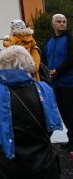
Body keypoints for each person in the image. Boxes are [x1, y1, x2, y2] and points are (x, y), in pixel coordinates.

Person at [0, 45, 62, 178]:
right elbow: (49, 128)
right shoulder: (46, 90)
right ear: (29, 62)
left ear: (2, 64)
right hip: (43, 162)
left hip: (4, 165)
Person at [43, 13, 73, 150]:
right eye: (59, 21)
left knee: (70, 112)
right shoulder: (49, 41)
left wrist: (58, 71)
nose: (62, 24)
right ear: (53, 24)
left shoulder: (70, 38)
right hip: (54, 84)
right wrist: (46, 72)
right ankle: (71, 139)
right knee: (63, 113)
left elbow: (71, 58)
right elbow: (43, 60)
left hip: (68, 83)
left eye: (64, 21)